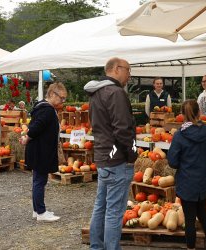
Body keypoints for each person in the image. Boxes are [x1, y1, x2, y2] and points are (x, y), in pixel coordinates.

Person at [84, 57, 137, 249]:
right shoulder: (115, 93)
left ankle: (96, 246)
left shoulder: (95, 92)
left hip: (103, 156)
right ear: (116, 69)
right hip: (117, 160)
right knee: (114, 211)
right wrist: (132, 154)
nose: (129, 76)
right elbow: (122, 131)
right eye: (128, 71)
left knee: (101, 207)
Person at [167, 99, 206, 250]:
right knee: (203, 215)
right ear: (199, 113)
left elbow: (173, 162)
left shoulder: (179, 136)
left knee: (189, 220)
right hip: (202, 181)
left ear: (182, 115)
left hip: (186, 182)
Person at [19, 82, 67, 222]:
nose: (62, 101)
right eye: (61, 98)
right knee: (40, 181)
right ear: (52, 94)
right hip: (41, 151)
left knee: (37, 180)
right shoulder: (47, 110)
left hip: (39, 150)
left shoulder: (42, 107)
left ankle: (36, 209)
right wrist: (27, 138)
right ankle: (41, 212)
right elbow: (36, 127)